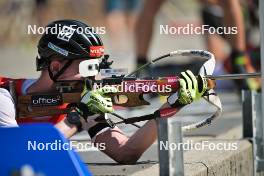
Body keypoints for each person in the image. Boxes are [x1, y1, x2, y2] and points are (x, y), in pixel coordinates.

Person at [0, 20, 207, 164]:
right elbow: (18, 157)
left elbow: (126, 153)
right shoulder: (5, 96)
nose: (94, 77)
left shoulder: (83, 99)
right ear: (55, 68)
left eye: (96, 67)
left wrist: (172, 106)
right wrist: (76, 119)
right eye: (86, 68)